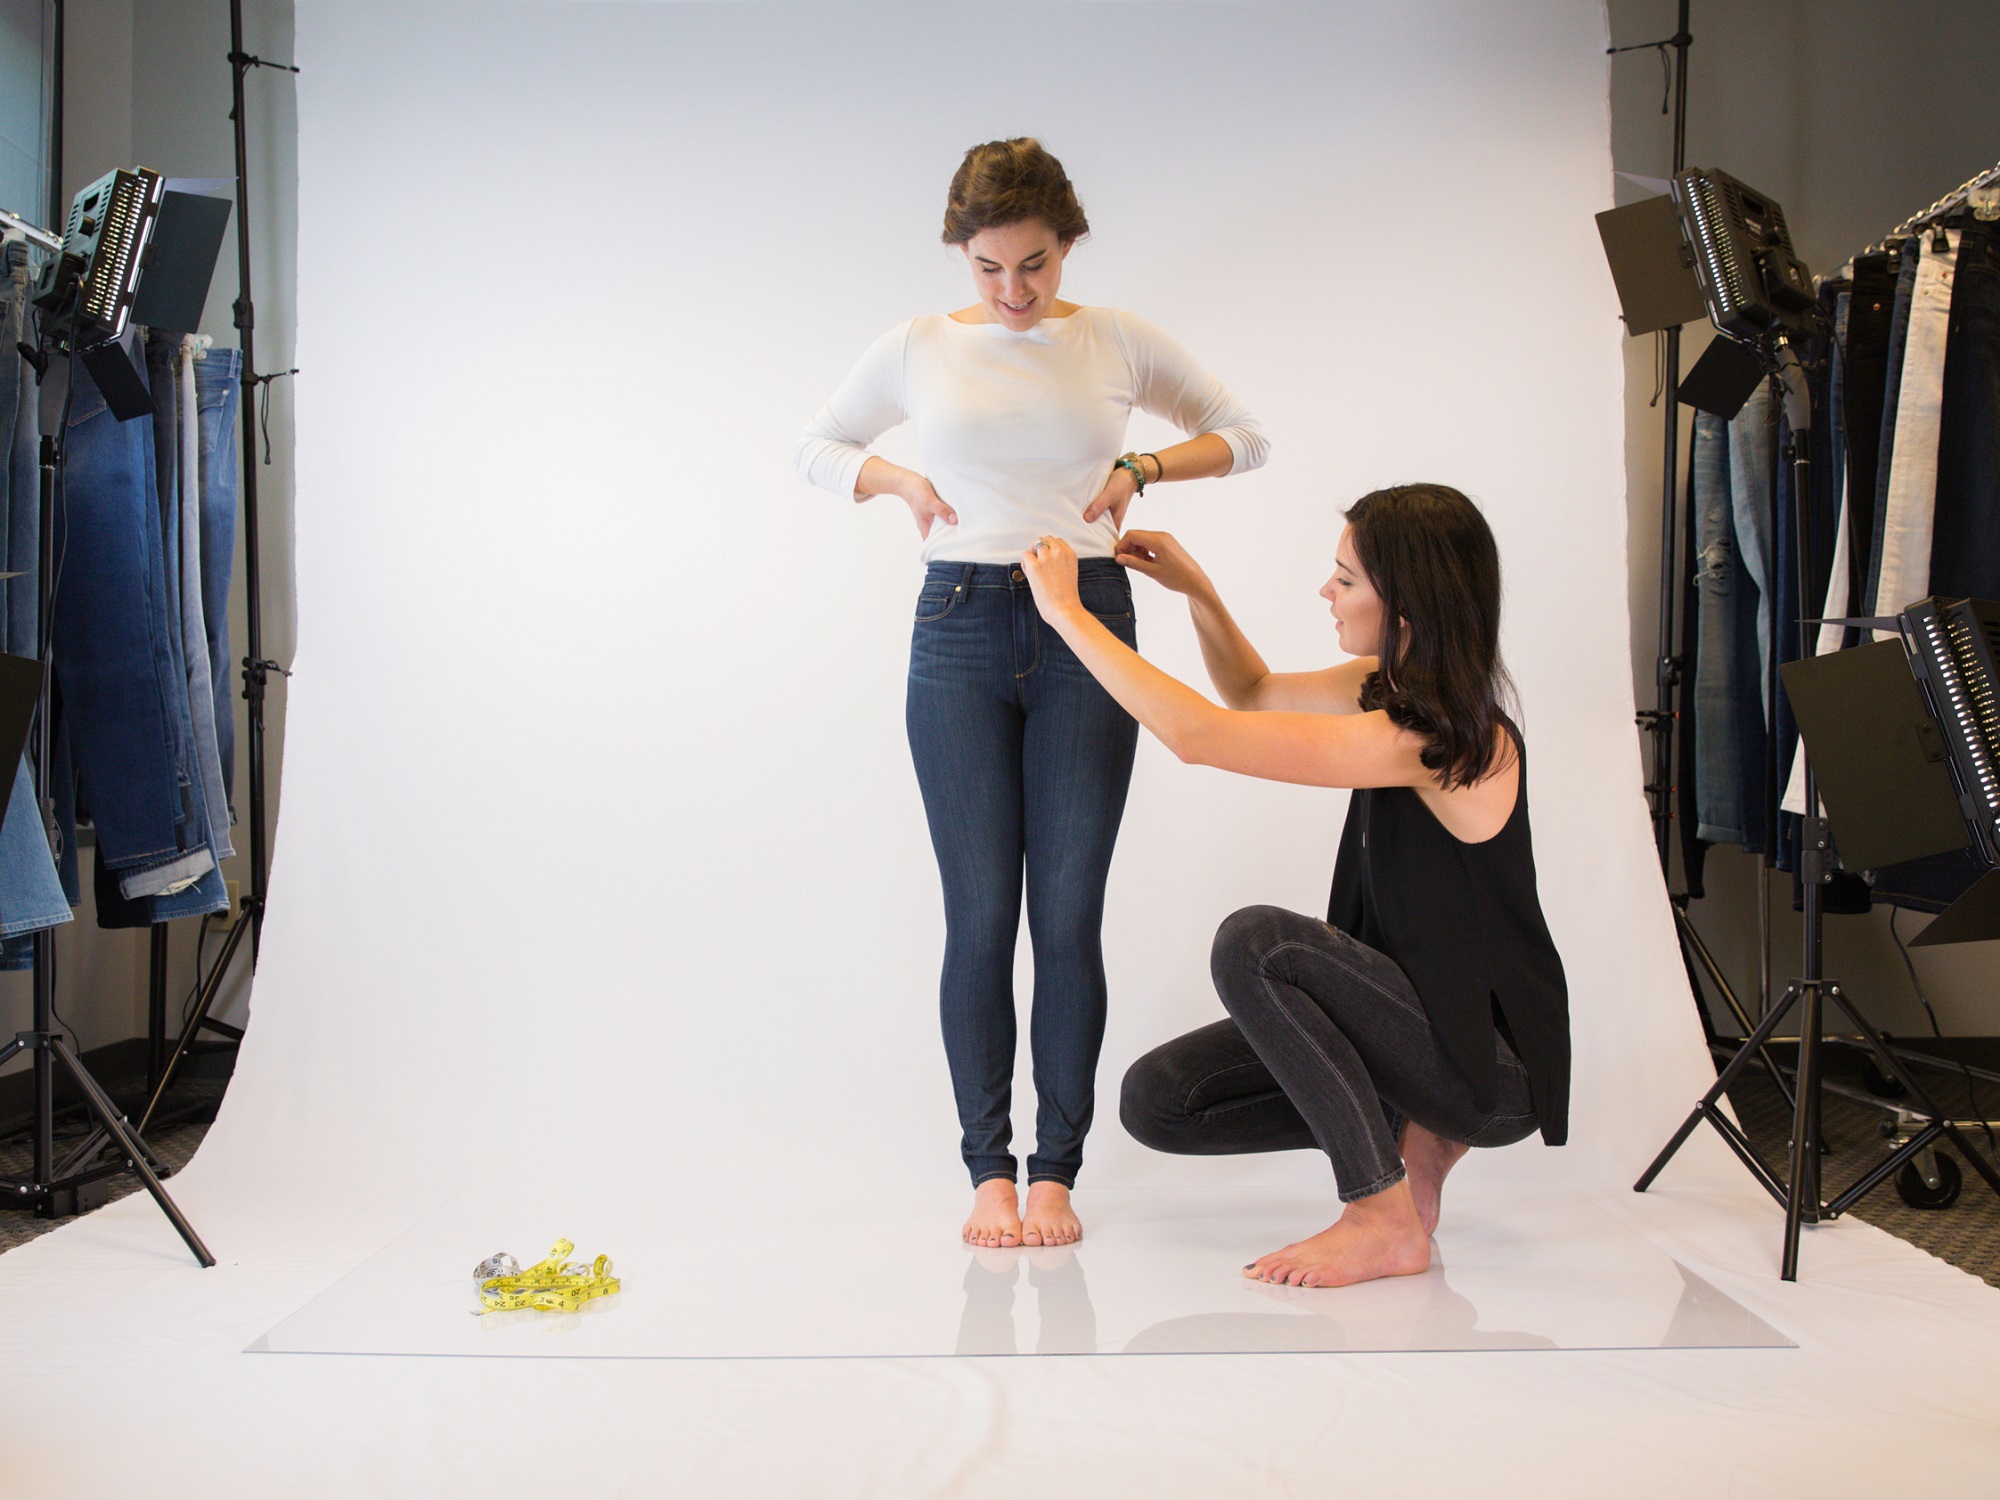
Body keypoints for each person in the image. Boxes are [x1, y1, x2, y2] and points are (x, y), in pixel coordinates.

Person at [795, 139, 1268, 1249]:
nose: (1013, 293)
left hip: (1086, 622)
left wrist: (1140, 470)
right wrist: (899, 478)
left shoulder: (1111, 340)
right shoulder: (913, 349)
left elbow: (1244, 435)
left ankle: (1052, 1171)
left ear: (1067, 248)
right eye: (989, 269)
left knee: (1063, 918)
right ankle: (984, 1173)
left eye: (1036, 268)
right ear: (961, 255)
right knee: (976, 919)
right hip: (955, 627)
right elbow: (813, 447)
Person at [1017, 484, 1571, 1288]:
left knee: (1260, 943)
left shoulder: (1443, 737)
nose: (1327, 593)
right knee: (1163, 1099)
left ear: (1407, 605)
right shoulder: (1385, 690)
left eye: (1345, 579)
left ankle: (1382, 1217)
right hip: (1415, 1032)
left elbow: (1199, 735)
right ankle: (1409, 1153)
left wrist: (1069, 616)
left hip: (1487, 1069)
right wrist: (1195, 589)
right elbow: (1250, 694)